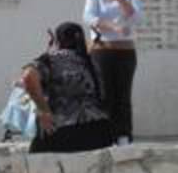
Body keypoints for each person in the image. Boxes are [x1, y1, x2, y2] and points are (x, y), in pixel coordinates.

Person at [20, 22, 115, 153]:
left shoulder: (51, 60)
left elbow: (28, 77)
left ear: (58, 40)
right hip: (101, 133)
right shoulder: (91, 61)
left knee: (33, 160)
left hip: (64, 131)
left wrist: (43, 110)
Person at [82, 0, 142, 144]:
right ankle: (105, 137)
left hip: (125, 51)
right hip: (102, 51)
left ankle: (124, 136)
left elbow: (137, 17)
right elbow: (88, 17)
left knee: (123, 95)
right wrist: (113, 27)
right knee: (104, 95)